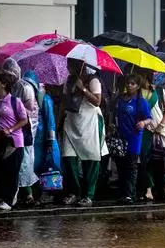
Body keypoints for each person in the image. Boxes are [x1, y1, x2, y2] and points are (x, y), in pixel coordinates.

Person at [60, 59, 107, 207]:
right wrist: (58, 120)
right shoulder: (68, 81)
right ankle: (75, 191)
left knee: (91, 158)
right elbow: (63, 101)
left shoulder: (93, 80)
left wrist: (83, 89)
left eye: (70, 65)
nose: (68, 68)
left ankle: (88, 195)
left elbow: (97, 101)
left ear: (80, 66)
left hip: (89, 122)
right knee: (68, 158)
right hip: (72, 122)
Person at [0, 72, 28, 211]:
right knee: (2, 172)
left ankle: (9, 200)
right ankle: (6, 197)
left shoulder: (14, 101)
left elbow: (24, 120)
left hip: (14, 142)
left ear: (4, 84)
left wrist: (10, 130)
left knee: (12, 172)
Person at [3, 58, 39, 206]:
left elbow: (29, 110)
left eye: (10, 74)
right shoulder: (10, 87)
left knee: (25, 161)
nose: (8, 77)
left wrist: (14, 112)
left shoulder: (25, 87)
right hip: (14, 127)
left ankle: (27, 193)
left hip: (26, 127)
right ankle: (24, 193)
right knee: (18, 160)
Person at [114, 75, 151, 204]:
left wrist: (143, 123)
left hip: (134, 136)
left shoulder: (141, 102)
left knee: (131, 165)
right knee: (121, 165)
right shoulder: (120, 99)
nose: (129, 86)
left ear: (138, 86)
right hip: (121, 136)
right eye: (128, 83)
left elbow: (149, 118)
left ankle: (130, 194)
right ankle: (123, 192)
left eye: (133, 84)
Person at [137, 73, 165, 202]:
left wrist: (162, 124)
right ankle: (148, 189)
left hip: (160, 129)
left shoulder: (159, 90)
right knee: (146, 160)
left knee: (162, 158)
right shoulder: (139, 93)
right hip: (146, 129)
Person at [24, 71, 60, 176]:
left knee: (44, 166)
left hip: (43, 138)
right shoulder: (28, 97)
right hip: (33, 137)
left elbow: (50, 121)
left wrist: (50, 141)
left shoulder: (45, 99)